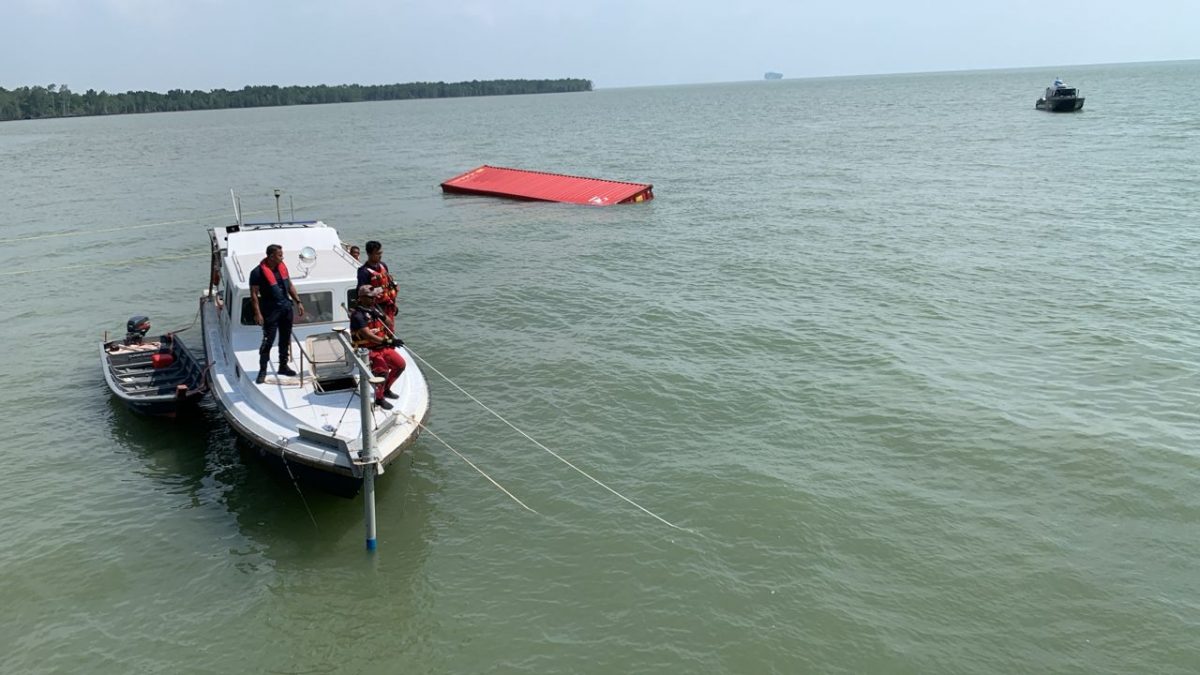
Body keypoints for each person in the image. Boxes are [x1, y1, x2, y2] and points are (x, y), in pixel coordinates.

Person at [248, 243, 305, 384]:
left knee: (285, 338)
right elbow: (254, 295)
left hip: (286, 307)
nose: (282, 257)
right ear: (271, 256)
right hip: (270, 310)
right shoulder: (257, 272)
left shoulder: (282, 268)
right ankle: (262, 371)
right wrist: (258, 313)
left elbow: (289, 285)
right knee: (268, 340)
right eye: (280, 255)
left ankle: (283, 366)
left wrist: (298, 301)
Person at [350, 284, 405, 410]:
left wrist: (381, 315)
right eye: (371, 297)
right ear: (362, 298)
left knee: (400, 365)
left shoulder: (375, 310)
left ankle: (386, 389)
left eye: (375, 297)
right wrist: (389, 342)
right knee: (382, 372)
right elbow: (368, 335)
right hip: (368, 350)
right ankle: (379, 399)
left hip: (382, 347)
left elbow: (389, 323)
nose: (374, 299)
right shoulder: (357, 316)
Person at [357, 240, 398, 331]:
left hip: (388, 304)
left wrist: (394, 304)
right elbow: (362, 296)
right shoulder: (364, 272)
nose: (380, 255)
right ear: (369, 254)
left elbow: (389, 286)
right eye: (377, 253)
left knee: (390, 329)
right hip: (376, 307)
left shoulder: (383, 265)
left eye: (381, 253)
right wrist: (380, 314)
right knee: (380, 330)